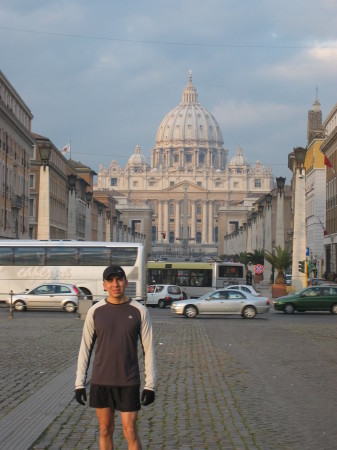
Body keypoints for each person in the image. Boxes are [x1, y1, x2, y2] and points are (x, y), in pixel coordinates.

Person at [75, 265, 156, 450]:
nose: (115, 284)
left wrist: (150, 385)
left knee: (130, 431)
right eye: (110, 280)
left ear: (125, 282)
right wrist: (79, 384)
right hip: (101, 381)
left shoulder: (139, 311)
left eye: (119, 279)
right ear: (104, 285)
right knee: (105, 429)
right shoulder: (95, 311)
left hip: (128, 381)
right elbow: (85, 348)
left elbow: (149, 350)